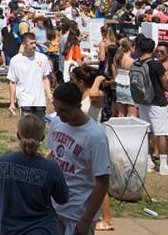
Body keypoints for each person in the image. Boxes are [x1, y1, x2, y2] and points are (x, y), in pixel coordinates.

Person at [0, 114, 69, 235]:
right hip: (43, 229)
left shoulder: (1, 163)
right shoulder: (51, 168)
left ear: (18, 135)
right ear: (42, 137)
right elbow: (63, 199)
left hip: (9, 230)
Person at [48, 82, 111, 235]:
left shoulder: (96, 137)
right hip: (54, 209)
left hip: (78, 213)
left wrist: (86, 220)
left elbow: (102, 182)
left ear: (77, 106)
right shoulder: (56, 123)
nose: (58, 114)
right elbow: (52, 156)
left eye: (63, 110)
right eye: (56, 109)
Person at [70, 65, 115, 231]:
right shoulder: (83, 96)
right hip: (82, 142)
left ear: (81, 82)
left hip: (94, 142)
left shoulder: (95, 96)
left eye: (74, 80)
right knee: (90, 181)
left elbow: (95, 93)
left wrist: (98, 79)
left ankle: (108, 218)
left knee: (99, 182)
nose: (71, 82)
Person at [131, 36, 168, 176]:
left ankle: (148, 161)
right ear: (152, 49)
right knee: (162, 132)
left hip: (142, 101)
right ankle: (164, 165)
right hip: (157, 101)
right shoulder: (155, 64)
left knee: (146, 131)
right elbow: (165, 84)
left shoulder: (136, 63)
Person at [8, 33, 53, 118]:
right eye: (31, 43)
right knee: (26, 129)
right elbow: (12, 82)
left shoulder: (43, 58)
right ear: (24, 44)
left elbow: (45, 78)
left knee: (39, 128)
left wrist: (49, 95)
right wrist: (12, 102)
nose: (34, 45)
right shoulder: (15, 60)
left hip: (40, 101)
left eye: (35, 43)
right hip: (25, 101)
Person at [110, 38, 136, 118]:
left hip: (119, 87)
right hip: (129, 87)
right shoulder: (131, 61)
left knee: (121, 114)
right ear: (131, 48)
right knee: (132, 114)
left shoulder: (117, 58)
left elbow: (115, 74)